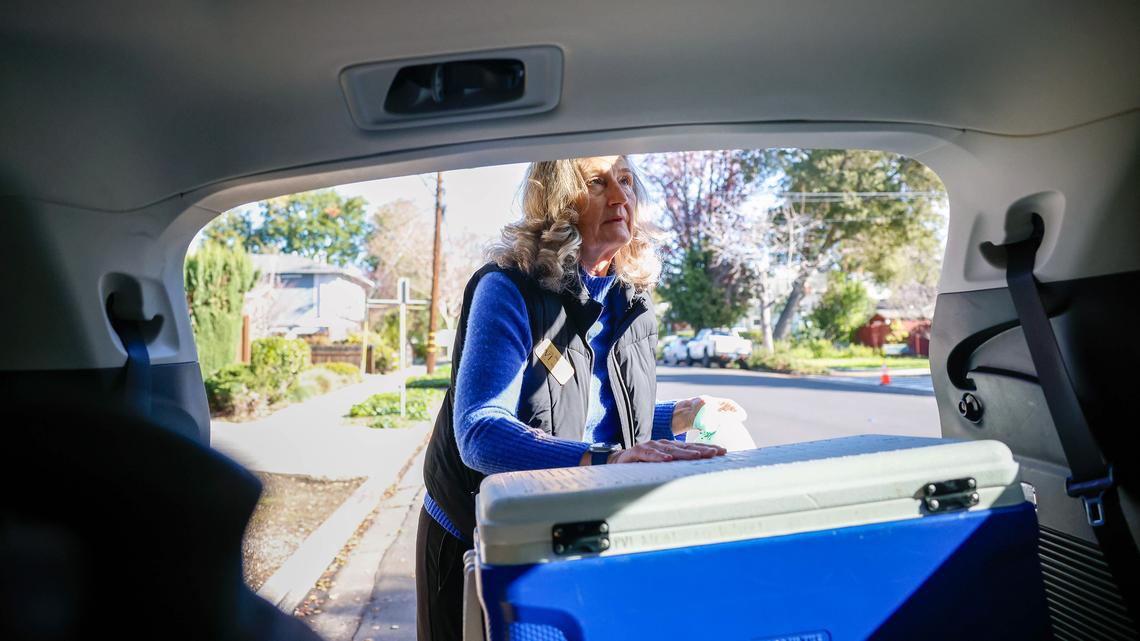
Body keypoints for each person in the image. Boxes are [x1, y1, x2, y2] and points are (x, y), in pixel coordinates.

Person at [416, 155, 740, 641]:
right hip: (476, 539)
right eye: (597, 182)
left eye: (626, 181)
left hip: (576, 531)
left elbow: (601, 418)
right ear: (558, 201)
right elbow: (480, 431)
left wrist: (680, 416)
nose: (620, 196)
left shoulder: (631, 302)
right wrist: (608, 460)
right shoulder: (507, 289)